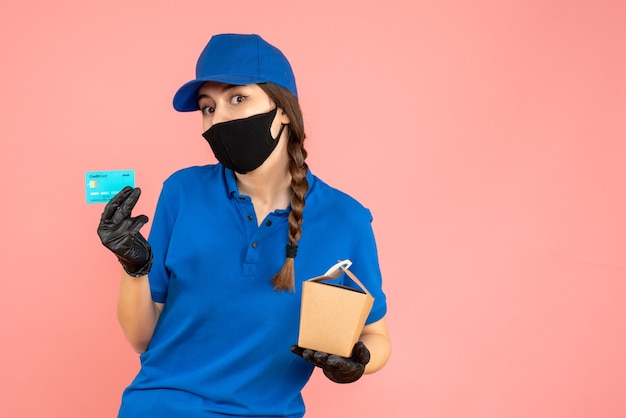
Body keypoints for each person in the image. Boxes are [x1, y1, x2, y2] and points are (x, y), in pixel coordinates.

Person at [97, 33, 390, 417]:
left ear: (283, 108)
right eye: (207, 107)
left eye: (238, 99)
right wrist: (134, 268)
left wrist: (359, 360)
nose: (218, 118)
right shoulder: (182, 192)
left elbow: (376, 335)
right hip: (162, 405)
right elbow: (142, 339)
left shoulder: (345, 219)